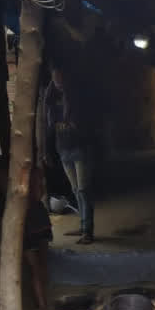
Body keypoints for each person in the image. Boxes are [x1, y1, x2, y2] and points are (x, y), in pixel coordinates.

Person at [45, 66, 95, 244]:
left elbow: (84, 124)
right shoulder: (51, 98)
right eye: (55, 77)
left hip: (80, 149)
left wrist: (74, 125)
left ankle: (88, 231)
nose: (58, 81)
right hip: (63, 149)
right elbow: (50, 128)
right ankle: (83, 227)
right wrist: (48, 150)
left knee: (83, 190)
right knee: (76, 190)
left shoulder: (76, 97)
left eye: (60, 77)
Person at [23, 167, 52, 310]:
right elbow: (39, 195)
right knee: (40, 266)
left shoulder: (24, 177)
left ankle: (42, 304)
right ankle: (43, 302)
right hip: (38, 223)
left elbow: (37, 195)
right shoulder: (35, 173)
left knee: (36, 268)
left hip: (31, 226)